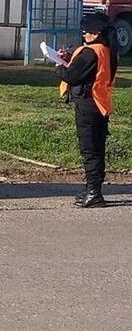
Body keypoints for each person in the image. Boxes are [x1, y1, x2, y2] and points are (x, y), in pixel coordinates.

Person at [57, 12, 118, 208]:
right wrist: (69, 58)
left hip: (88, 105)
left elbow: (72, 75)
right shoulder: (107, 49)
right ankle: (92, 188)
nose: (84, 35)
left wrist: (58, 64)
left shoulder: (91, 52)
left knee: (89, 150)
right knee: (97, 148)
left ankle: (94, 193)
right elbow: (85, 69)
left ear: (97, 33)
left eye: (88, 32)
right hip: (100, 104)